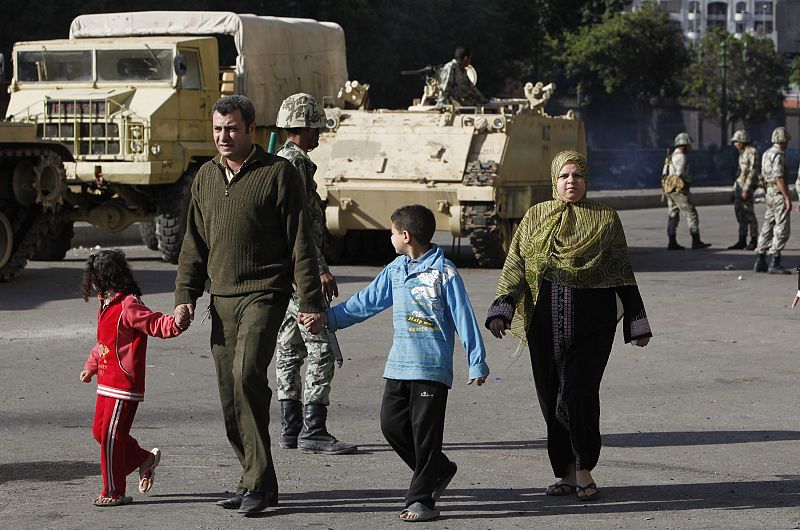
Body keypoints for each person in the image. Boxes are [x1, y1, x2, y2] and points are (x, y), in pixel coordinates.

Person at [173, 95, 325, 516]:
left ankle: (257, 482)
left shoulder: (278, 174)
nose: (224, 137)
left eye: (232, 129)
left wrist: (310, 300)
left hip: (264, 292)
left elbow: (301, 242)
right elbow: (193, 244)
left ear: (251, 130)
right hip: (221, 299)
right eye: (218, 129)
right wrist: (186, 297)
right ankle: (254, 479)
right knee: (230, 396)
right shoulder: (205, 177)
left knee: (246, 376)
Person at [300, 205, 489, 522]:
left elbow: (464, 316)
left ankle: (422, 500)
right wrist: (327, 319)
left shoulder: (445, 273)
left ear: (405, 235)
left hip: (432, 369)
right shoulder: (396, 271)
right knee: (391, 426)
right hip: (399, 365)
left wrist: (476, 360)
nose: (389, 237)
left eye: (391, 232)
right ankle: (439, 470)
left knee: (426, 436)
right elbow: (365, 303)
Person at [486, 151, 652, 501]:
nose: (570, 182)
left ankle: (584, 469)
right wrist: (502, 308)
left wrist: (637, 322)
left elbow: (622, 271)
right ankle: (564, 472)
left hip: (592, 324)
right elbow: (516, 265)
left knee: (579, 392)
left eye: (577, 175)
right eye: (564, 176)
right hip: (543, 324)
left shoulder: (606, 219)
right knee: (550, 395)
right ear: (554, 180)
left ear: (587, 179)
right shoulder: (535, 216)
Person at [273, 93, 356, 455]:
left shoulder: (275, 161)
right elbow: (301, 223)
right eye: (315, 127)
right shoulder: (297, 164)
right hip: (300, 272)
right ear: (302, 127)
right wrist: (319, 269)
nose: (319, 134)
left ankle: (290, 429)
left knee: (289, 347)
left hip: (283, 271)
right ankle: (314, 429)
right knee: (321, 346)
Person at [79, 249, 189, 507]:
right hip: (106, 382)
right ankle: (142, 459)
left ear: (107, 277)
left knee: (110, 437)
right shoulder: (105, 303)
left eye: (95, 276)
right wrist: (91, 365)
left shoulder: (128, 305)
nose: (92, 282)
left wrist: (178, 323)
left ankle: (113, 491)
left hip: (124, 385)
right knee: (100, 432)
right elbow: (103, 343)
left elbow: (155, 323)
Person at [663, 132, 711, 250]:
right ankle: (696, 240)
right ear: (683, 145)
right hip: (679, 189)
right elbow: (680, 174)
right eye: (688, 144)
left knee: (673, 214)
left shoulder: (671, 156)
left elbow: (665, 172)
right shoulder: (681, 157)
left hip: (669, 188)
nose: (690, 147)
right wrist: (688, 180)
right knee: (691, 213)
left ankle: (672, 241)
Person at [754, 126, 792, 274]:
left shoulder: (766, 153)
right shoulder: (779, 154)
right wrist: (786, 197)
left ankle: (760, 259)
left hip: (768, 193)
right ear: (783, 140)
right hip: (777, 193)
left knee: (767, 226)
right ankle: (775, 260)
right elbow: (778, 177)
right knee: (782, 227)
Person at [727, 130, 760, 250]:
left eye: (736, 141)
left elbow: (753, 172)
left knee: (749, 214)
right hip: (740, 186)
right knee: (740, 213)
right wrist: (734, 189)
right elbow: (740, 173)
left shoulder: (752, 152)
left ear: (742, 141)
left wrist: (746, 189)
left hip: (747, 187)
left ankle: (754, 240)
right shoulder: (742, 153)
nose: (735, 144)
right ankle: (742, 240)